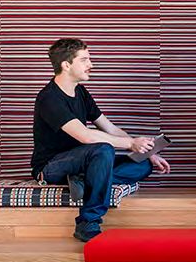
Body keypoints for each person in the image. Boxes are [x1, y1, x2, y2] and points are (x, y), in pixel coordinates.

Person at [31, 37, 171, 243]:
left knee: (143, 165)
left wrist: (146, 152)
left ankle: (82, 179)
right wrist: (131, 144)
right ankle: (88, 221)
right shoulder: (49, 98)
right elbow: (85, 136)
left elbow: (109, 128)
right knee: (103, 149)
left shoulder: (80, 92)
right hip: (51, 167)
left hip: (84, 163)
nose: (91, 65)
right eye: (84, 60)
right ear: (66, 65)